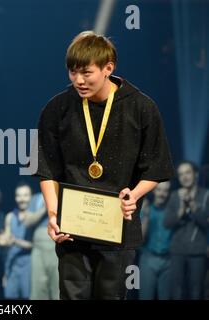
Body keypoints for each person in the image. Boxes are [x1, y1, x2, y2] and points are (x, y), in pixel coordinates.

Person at [34, 31, 174, 300]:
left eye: (87, 73)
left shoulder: (141, 108)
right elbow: (46, 166)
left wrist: (134, 195)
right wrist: (53, 214)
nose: (78, 80)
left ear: (108, 68)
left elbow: (155, 167)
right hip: (71, 231)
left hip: (117, 227)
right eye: (72, 72)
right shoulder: (58, 108)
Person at [164, 161, 209, 300]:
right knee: (176, 290)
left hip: (198, 251)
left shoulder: (206, 195)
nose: (184, 177)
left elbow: (206, 224)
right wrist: (181, 211)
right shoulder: (174, 195)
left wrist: (194, 207)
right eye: (181, 174)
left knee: (196, 290)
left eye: (187, 172)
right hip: (178, 250)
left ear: (195, 174)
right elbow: (167, 223)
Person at [0, 182, 35, 300]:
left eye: (25, 195)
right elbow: (8, 242)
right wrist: (2, 241)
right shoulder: (10, 217)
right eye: (19, 195)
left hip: (29, 267)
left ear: (31, 197)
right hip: (12, 267)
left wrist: (14, 241)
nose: (22, 199)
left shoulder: (35, 217)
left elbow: (36, 245)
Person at [138, 181, 172, 300]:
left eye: (165, 190)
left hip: (169, 261)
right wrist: (146, 215)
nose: (162, 193)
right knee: (145, 296)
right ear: (153, 191)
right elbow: (140, 239)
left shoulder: (172, 212)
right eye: (159, 190)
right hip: (148, 259)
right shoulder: (146, 210)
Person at [28, 192, 59, 300]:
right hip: (38, 247)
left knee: (57, 287)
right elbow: (28, 221)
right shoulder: (35, 198)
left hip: (56, 245)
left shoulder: (60, 194)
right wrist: (45, 207)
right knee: (38, 288)